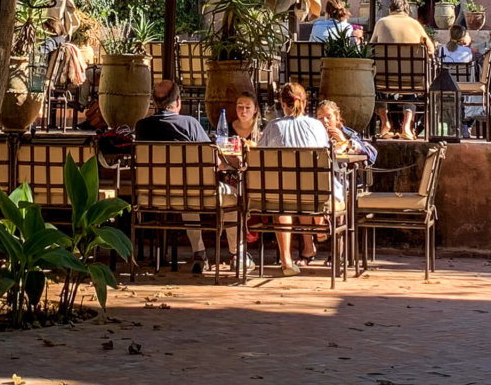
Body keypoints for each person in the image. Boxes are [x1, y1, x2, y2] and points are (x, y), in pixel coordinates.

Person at [135, 80, 241, 273]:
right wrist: (229, 167)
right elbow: (213, 160)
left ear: (154, 102)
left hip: (151, 195)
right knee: (231, 196)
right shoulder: (190, 124)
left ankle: (199, 252)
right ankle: (237, 253)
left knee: (186, 190)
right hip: (190, 193)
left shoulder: (142, 127)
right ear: (177, 101)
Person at [257, 82, 330, 274]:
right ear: (304, 103)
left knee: (282, 199)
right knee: (304, 188)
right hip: (314, 192)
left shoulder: (273, 127)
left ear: (282, 104)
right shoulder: (317, 126)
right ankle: (319, 225)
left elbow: (259, 156)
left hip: (282, 193)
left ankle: (286, 260)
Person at [370, 0, 436, 138]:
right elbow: (430, 49)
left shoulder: (381, 23)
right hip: (411, 79)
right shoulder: (415, 24)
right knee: (410, 84)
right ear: (407, 10)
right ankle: (406, 127)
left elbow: (370, 47)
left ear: (390, 10)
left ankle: (385, 122)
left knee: (376, 85)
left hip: (384, 79)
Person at [315, 100, 377, 165]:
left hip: (342, 173)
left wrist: (346, 142)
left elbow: (372, 154)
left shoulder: (347, 134)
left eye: (328, 117)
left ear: (337, 118)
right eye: (320, 118)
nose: (325, 121)